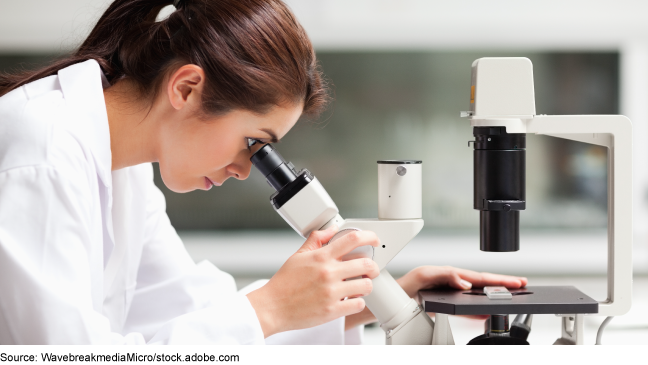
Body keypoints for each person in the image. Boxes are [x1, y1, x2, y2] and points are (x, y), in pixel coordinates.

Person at [0, 0, 527, 345]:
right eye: (255, 143)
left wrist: (381, 295)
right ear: (186, 89)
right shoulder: (42, 153)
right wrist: (270, 307)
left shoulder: (124, 166)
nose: (245, 168)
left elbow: (187, 316)